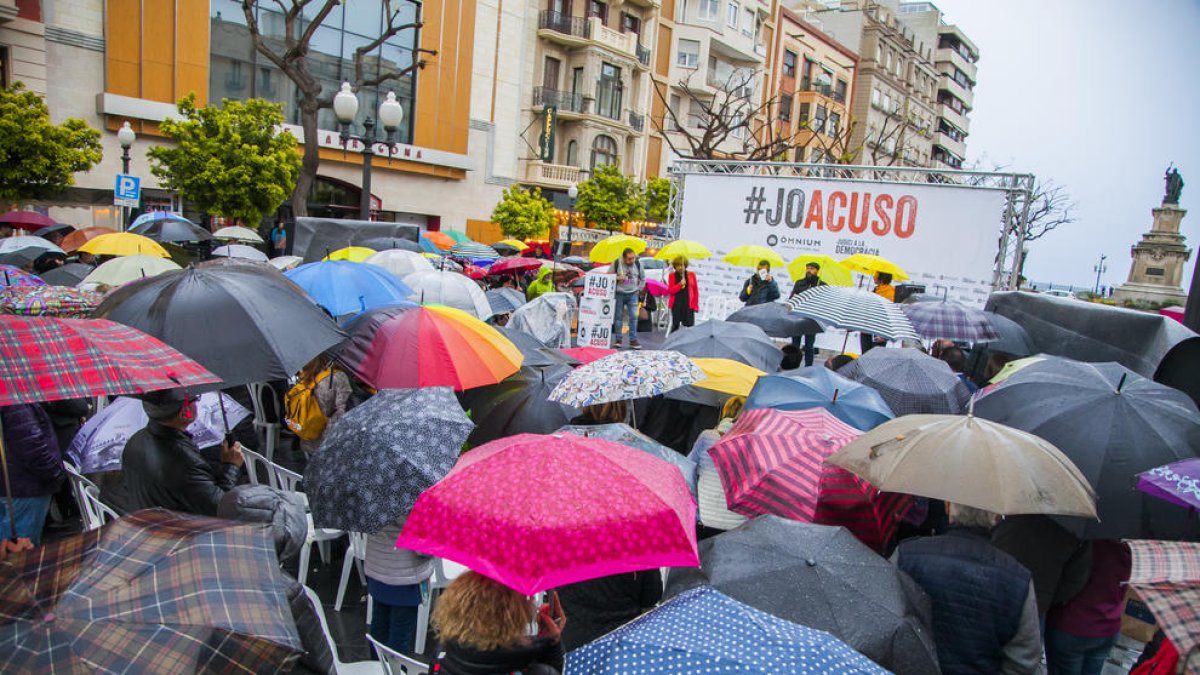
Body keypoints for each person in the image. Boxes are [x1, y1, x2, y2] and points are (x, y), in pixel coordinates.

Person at [896, 502, 1043, 675]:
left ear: (948, 508)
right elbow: (1023, 664)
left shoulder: (907, 555)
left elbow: (887, 620)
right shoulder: (1018, 580)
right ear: (996, 518)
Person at [120, 388, 244, 517]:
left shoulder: (134, 441)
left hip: (146, 524)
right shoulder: (185, 462)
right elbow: (221, 507)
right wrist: (231, 466)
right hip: (180, 532)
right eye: (195, 399)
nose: (196, 403)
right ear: (185, 413)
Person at [432, 571, 566, 674]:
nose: (530, 601)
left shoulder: (442, 656)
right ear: (513, 615)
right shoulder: (536, 671)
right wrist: (550, 643)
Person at [1044, 541, 1132, 675]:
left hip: (1072, 625)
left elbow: (1069, 583)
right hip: (1108, 627)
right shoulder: (1126, 552)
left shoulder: (1088, 546)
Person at [366, 518, 433, 655]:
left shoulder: (373, 500)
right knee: (400, 636)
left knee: (379, 628)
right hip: (405, 581)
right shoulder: (416, 505)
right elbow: (422, 550)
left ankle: (377, 667)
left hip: (378, 573)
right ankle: (396, 670)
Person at [0, 403, 65, 545]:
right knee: (22, 553)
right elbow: (32, 445)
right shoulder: (16, 404)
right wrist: (55, 473)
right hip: (24, 489)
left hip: (15, 486)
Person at [555, 571, 662, 651]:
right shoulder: (637, 545)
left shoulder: (557, 546)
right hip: (623, 640)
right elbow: (651, 596)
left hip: (573, 639)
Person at [295, 355, 353, 455]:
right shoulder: (338, 377)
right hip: (328, 443)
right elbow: (344, 411)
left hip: (307, 437)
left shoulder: (304, 376)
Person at [789, 262, 826, 366]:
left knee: (809, 345)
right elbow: (792, 298)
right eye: (808, 268)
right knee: (795, 344)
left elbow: (824, 304)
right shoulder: (799, 283)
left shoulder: (822, 285)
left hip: (811, 319)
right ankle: (793, 365)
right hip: (798, 317)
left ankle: (808, 366)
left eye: (812, 269)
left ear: (817, 271)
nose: (809, 270)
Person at [612, 248, 645, 349]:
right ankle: (618, 339)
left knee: (634, 317)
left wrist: (639, 289)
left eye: (633, 258)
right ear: (624, 258)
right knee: (618, 317)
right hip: (619, 293)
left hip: (633, 294)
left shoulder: (638, 264)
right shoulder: (617, 263)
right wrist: (617, 278)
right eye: (629, 259)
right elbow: (608, 276)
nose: (631, 261)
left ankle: (633, 340)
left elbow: (643, 278)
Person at [859, 272, 895, 354]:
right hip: (867, 329)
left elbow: (890, 314)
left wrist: (884, 335)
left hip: (879, 332)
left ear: (881, 277)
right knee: (864, 357)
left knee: (874, 358)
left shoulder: (891, 292)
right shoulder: (876, 290)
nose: (873, 277)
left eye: (875, 275)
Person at [666, 255, 698, 332]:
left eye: (682, 265)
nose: (680, 267)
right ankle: (672, 341)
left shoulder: (691, 275)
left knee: (690, 326)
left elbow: (695, 291)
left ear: (685, 265)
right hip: (676, 305)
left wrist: (695, 305)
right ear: (675, 266)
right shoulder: (672, 276)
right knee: (675, 326)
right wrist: (680, 284)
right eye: (678, 265)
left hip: (688, 304)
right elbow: (670, 291)